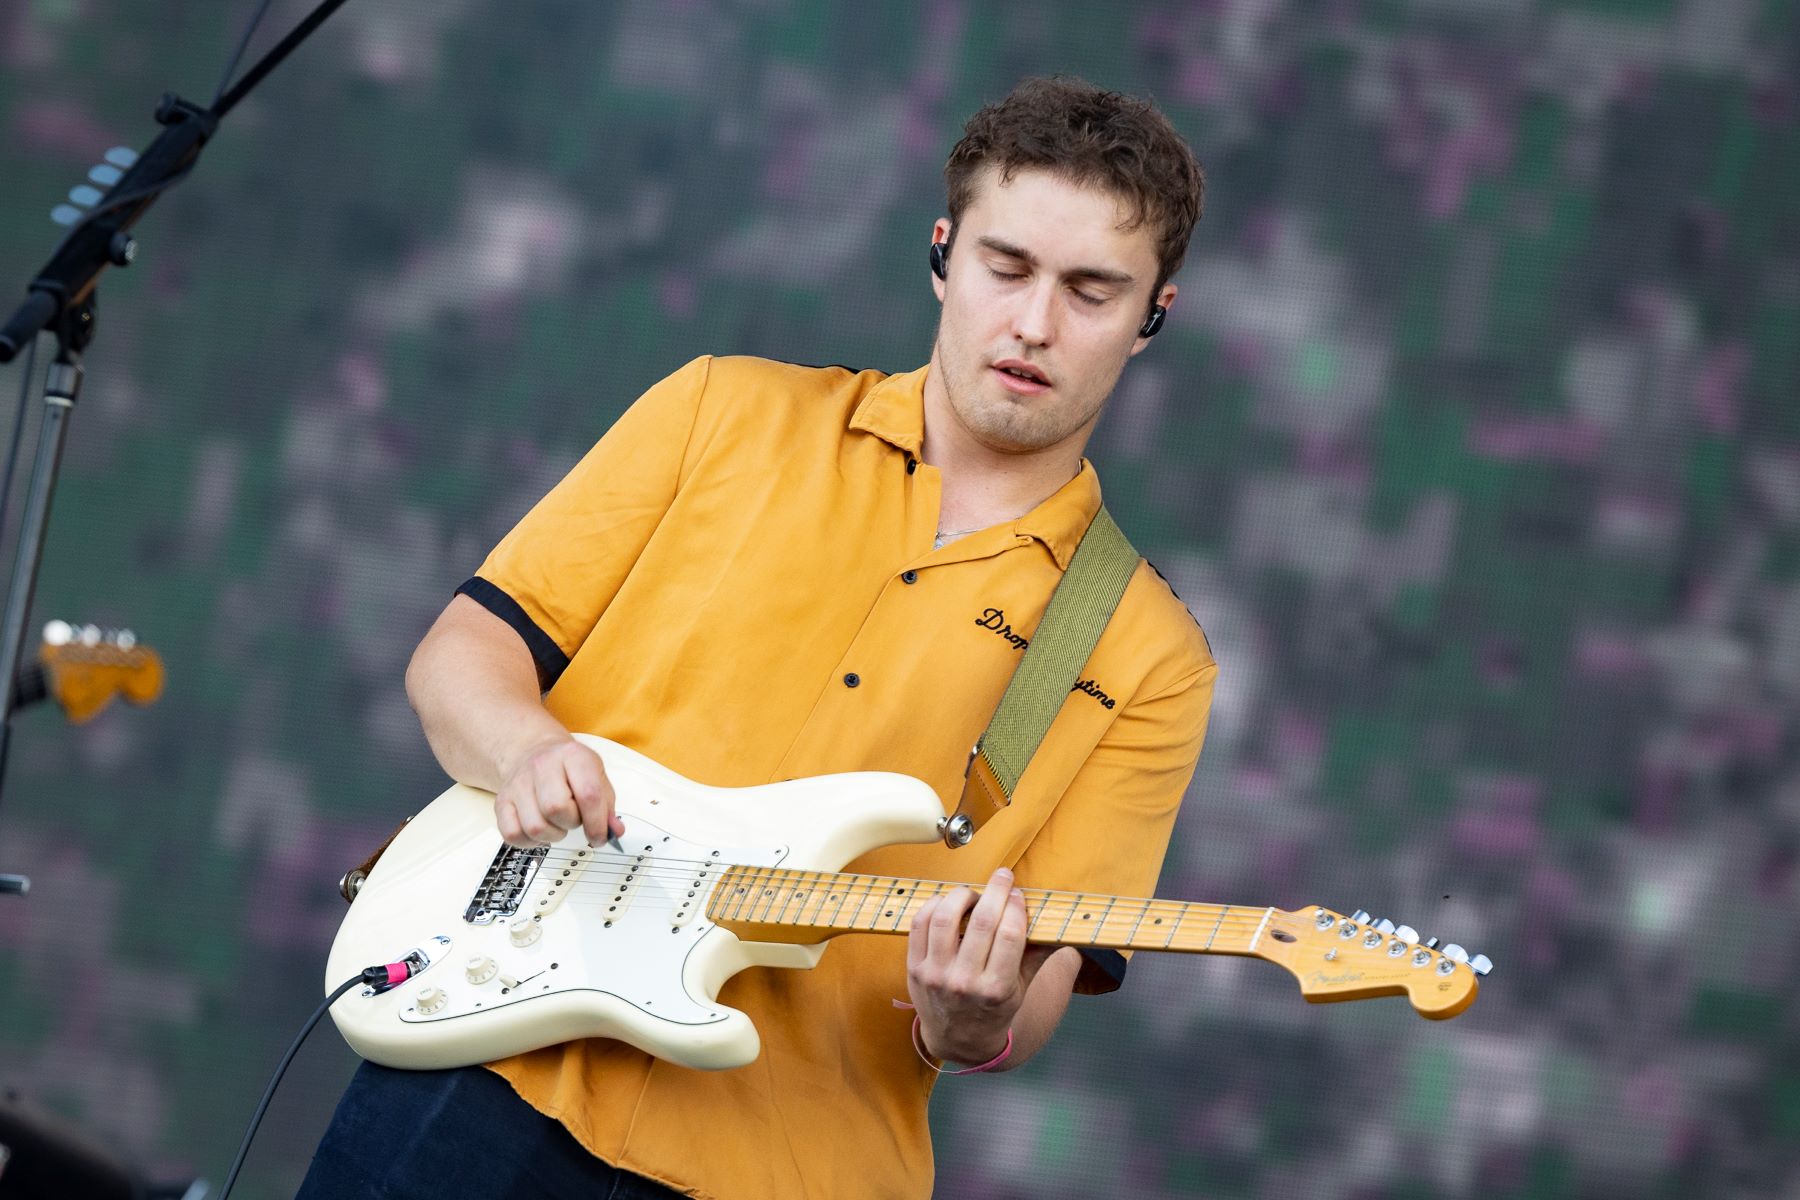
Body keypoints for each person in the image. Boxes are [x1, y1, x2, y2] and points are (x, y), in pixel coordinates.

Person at [299, 75, 1215, 1200]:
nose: (1033, 323)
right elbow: (461, 655)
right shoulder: (719, 411)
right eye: (1006, 266)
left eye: (1091, 291)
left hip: (788, 1170)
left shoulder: (1151, 653)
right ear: (942, 253)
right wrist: (525, 752)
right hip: (491, 1064)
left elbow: (1027, 1006)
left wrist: (969, 1023)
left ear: (1152, 315)